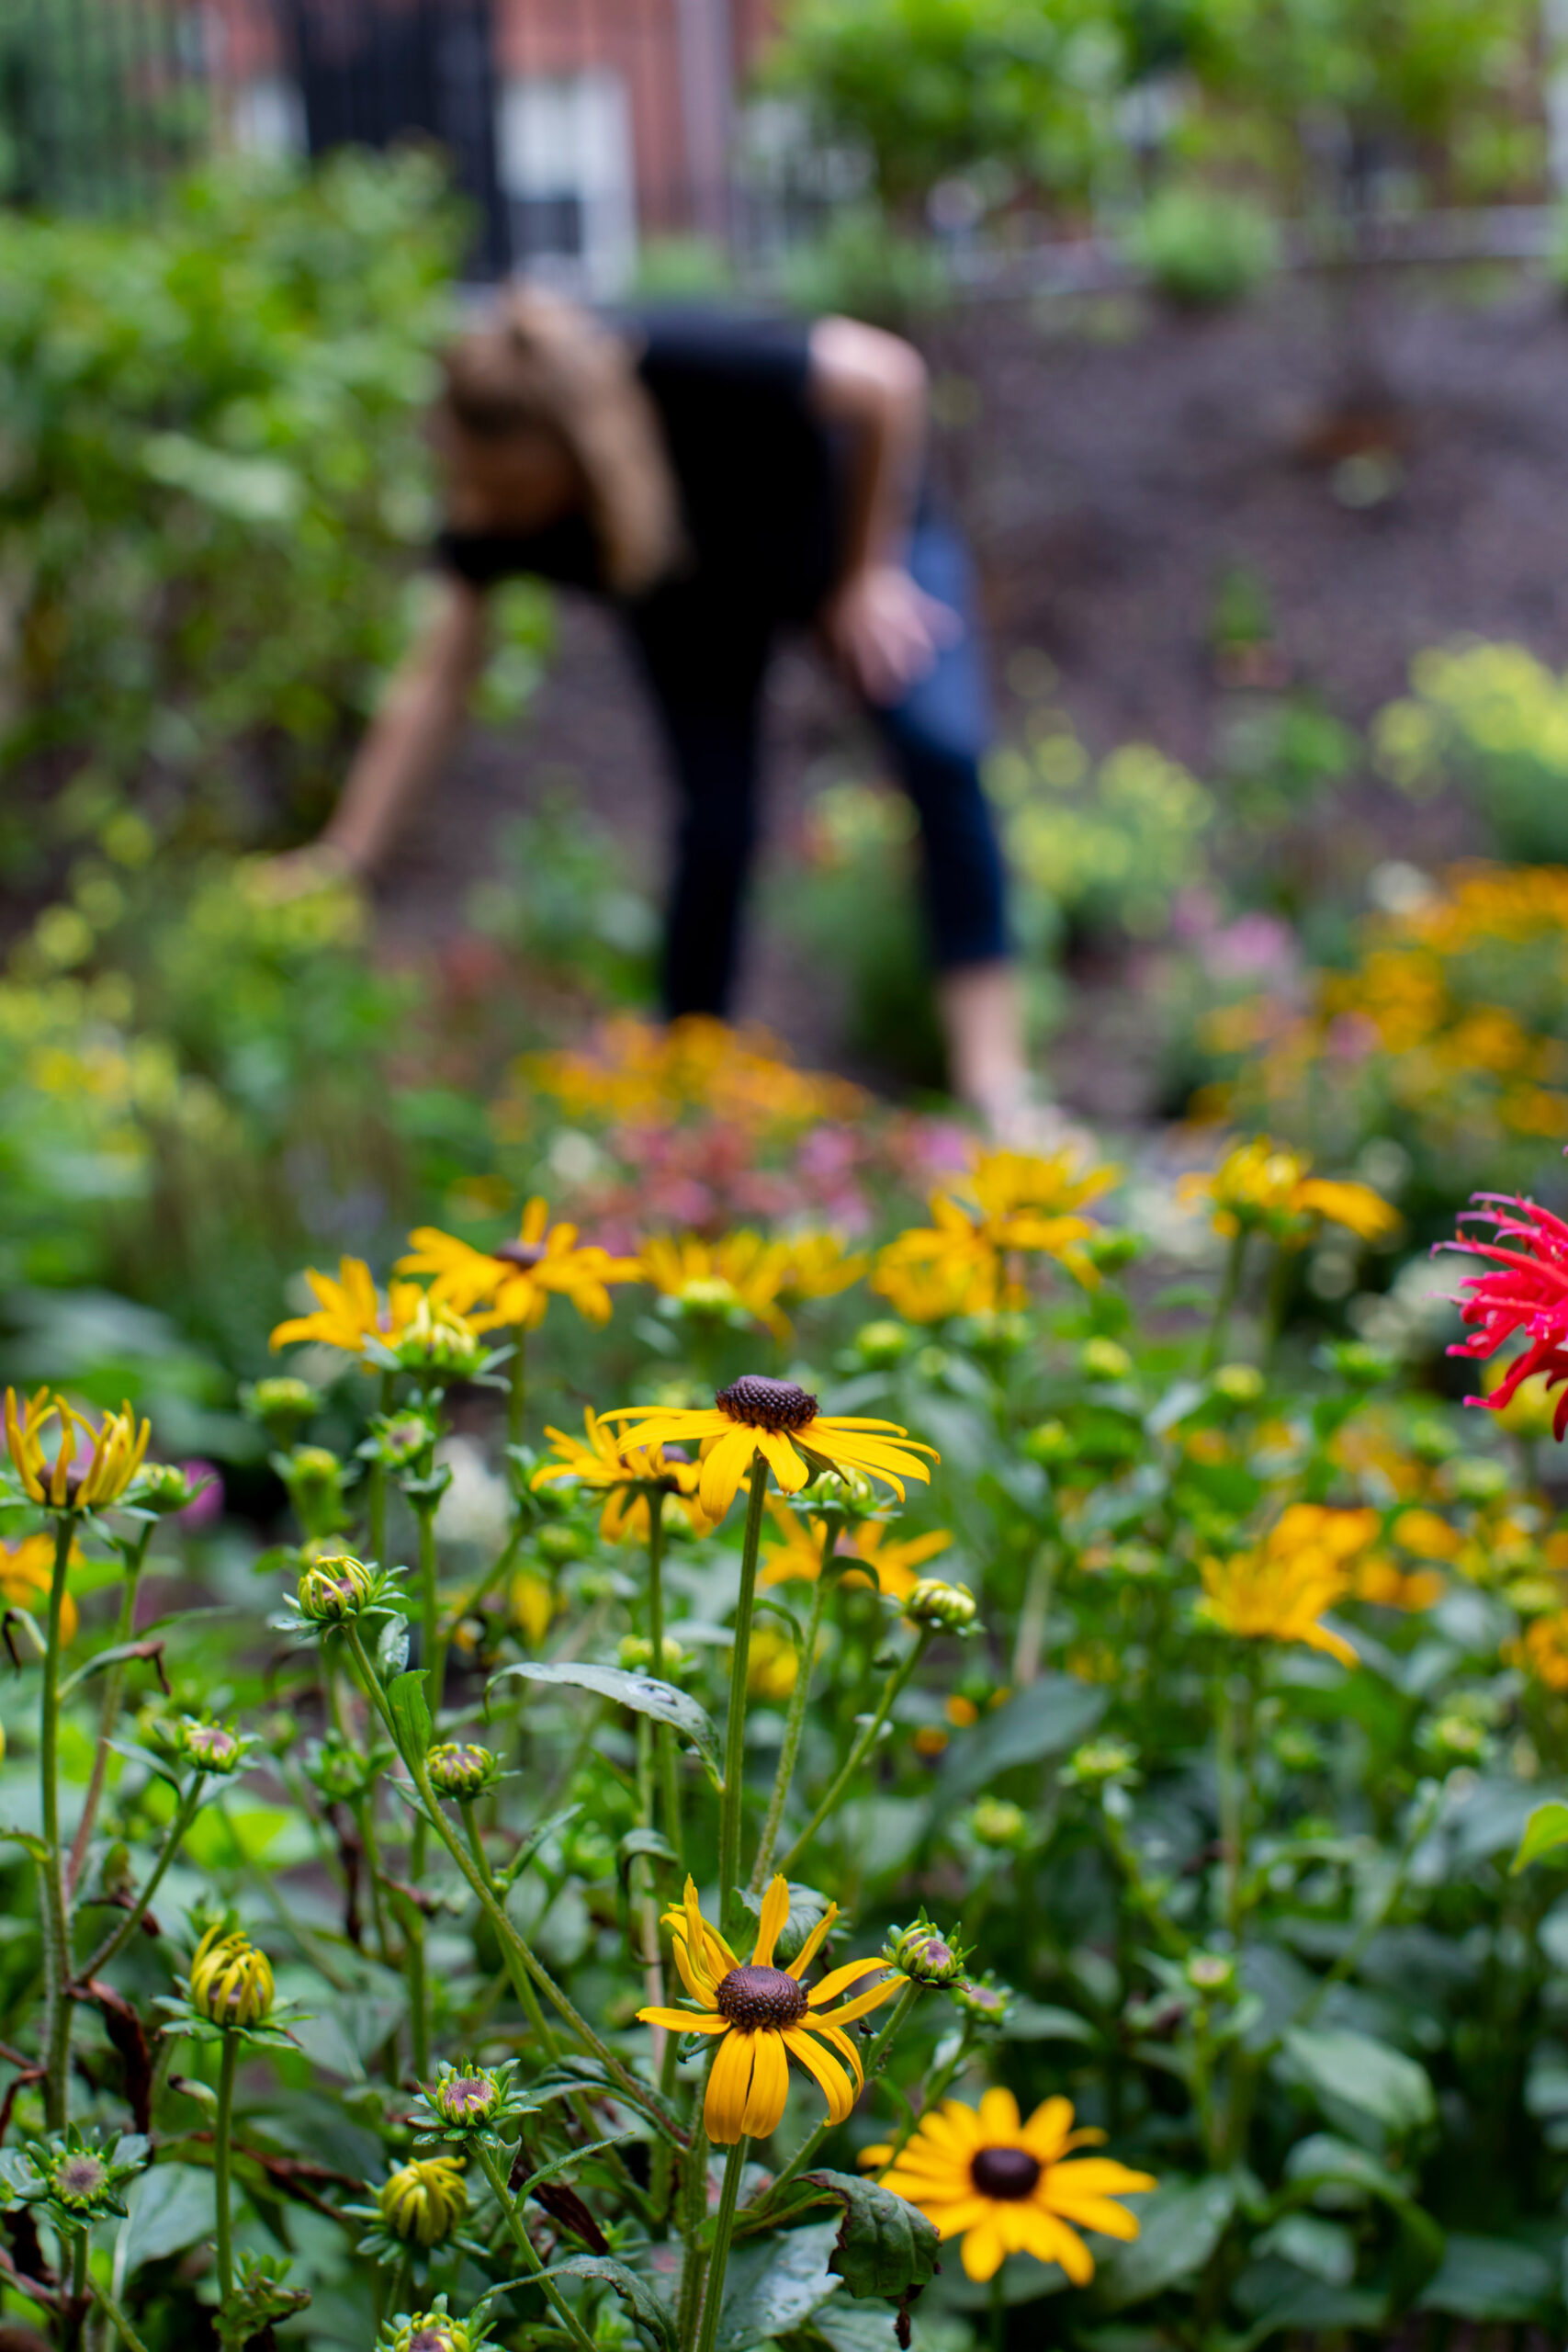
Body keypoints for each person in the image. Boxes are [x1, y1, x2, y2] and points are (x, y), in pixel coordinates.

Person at [289, 287, 1037, 1132]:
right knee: (713, 828)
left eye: (511, 489)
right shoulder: (494, 496)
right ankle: (686, 1096)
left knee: (939, 753)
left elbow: (887, 379)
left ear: (578, 450)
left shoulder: (676, 359)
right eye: (475, 485)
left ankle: (994, 1081)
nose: (490, 514)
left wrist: (869, 570)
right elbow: (434, 682)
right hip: (692, 598)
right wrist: (345, 858)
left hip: (854, 534)